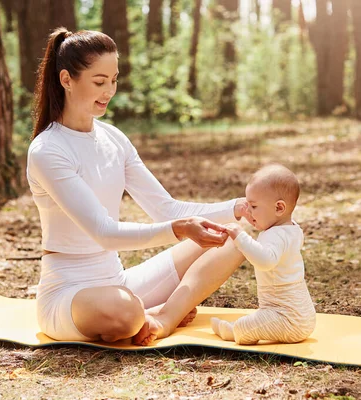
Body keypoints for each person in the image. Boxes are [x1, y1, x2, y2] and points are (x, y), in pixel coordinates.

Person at [26, 27, 248, 346]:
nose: (109, 91)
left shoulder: (114, 139)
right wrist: (178, 229)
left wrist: (234, 210)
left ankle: (163, 316)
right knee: (125, 312)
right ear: (66, 80)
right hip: (69, 297)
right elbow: (103, 232)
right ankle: (148, 313)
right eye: (99, 82)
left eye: (114, 80)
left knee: (236, 236)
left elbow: (166, 208)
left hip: (121, 282)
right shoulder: (48, 150)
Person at [211, 164, 316, 345]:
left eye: (253, 206)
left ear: (279, 208)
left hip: (287, 319)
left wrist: (240, 238)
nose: (249, 212)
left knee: (247, 327)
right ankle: (239, 326)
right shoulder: (292, 229)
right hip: (299, 315)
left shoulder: (275, 234)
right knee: (260, 318)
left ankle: (234, 331)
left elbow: (265, 261)